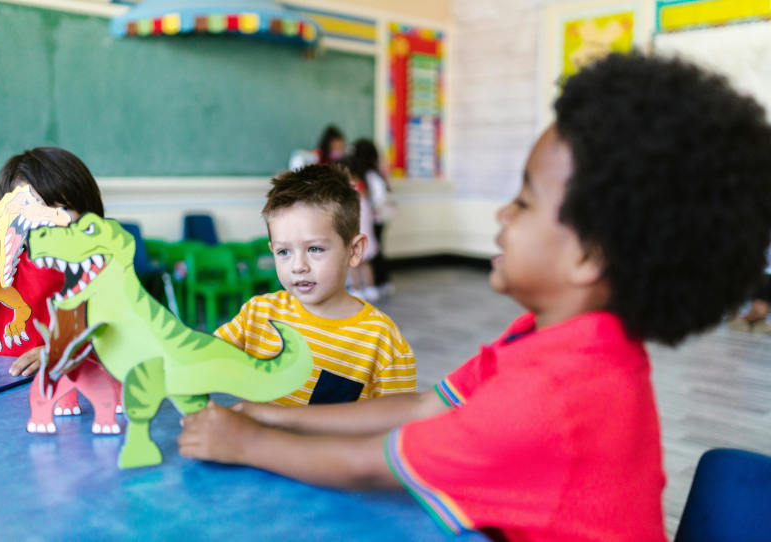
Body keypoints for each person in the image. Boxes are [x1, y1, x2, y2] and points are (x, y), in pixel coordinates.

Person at [178, 52, 771, 540]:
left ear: (587, 255)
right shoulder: (552, 340)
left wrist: (249, 440)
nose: (501, 213)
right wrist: (269, 414)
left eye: (524, 201)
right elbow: (422, 406)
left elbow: (381, 464)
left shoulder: (556, 395)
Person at [212, 164, 415, 405]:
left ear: (354, 250)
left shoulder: (381, 341)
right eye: (284, 251)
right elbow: (203, 361)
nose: (298, 266)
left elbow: (397, 425)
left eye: (315, 249)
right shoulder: (256, 316)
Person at [0, 147, 105, 414]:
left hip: (69, 397)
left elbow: (116, 336)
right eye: (32, 206)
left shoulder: (98, 269)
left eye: (65, 206)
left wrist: (68, 351)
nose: (49, 219)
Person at [350, 139, 396, 296]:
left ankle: (374, 284)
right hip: (377, 218)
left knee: (369, 253)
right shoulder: (373, 173)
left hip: (373, 218)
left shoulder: (366, 174)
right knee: (374, 252)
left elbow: (378, 197)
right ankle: (376, 284)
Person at [343, 154, 380, 302]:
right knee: (366, 263)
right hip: (366, 230)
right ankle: (371, 288)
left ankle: (357, 289)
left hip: (356, 228)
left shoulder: (349, 186)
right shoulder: (363, 184)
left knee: (353, 262)